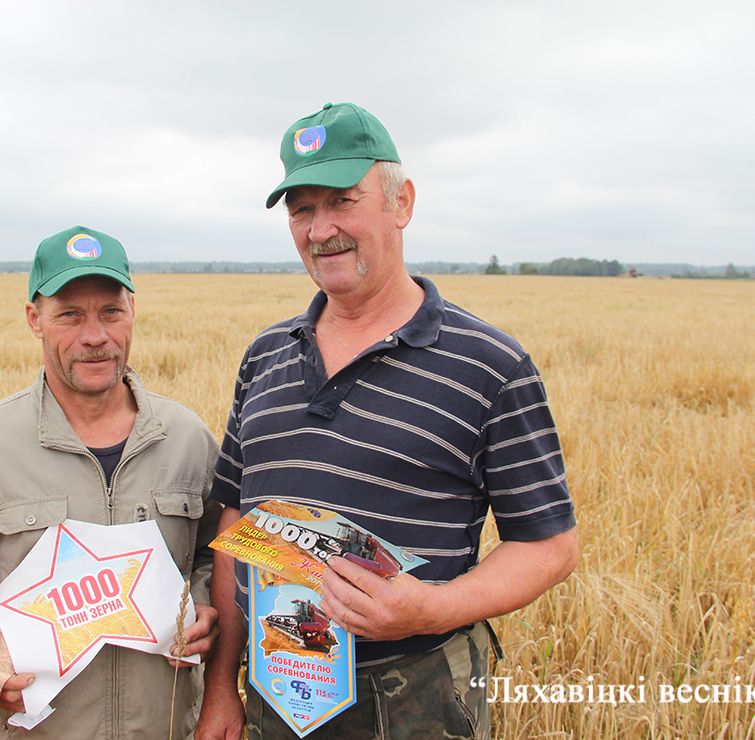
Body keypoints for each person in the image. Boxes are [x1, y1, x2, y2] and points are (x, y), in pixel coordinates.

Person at [195, 104, 579, 740]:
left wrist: (430, 609)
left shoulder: (489, 364)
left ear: (402, 201)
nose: (320, 231)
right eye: (301, 210)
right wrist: (221, 688)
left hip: (418, 696)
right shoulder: (265, 356)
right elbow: (237, 520)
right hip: (276, 690)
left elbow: (550, 547)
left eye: (343, 201)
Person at [0, 226, 223, 739]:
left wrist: (202, 602)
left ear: (133, 312)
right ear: (34, 320)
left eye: (111, 311)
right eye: (70, 314)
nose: (95, 336)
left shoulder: (188, 441)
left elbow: (213, 554)